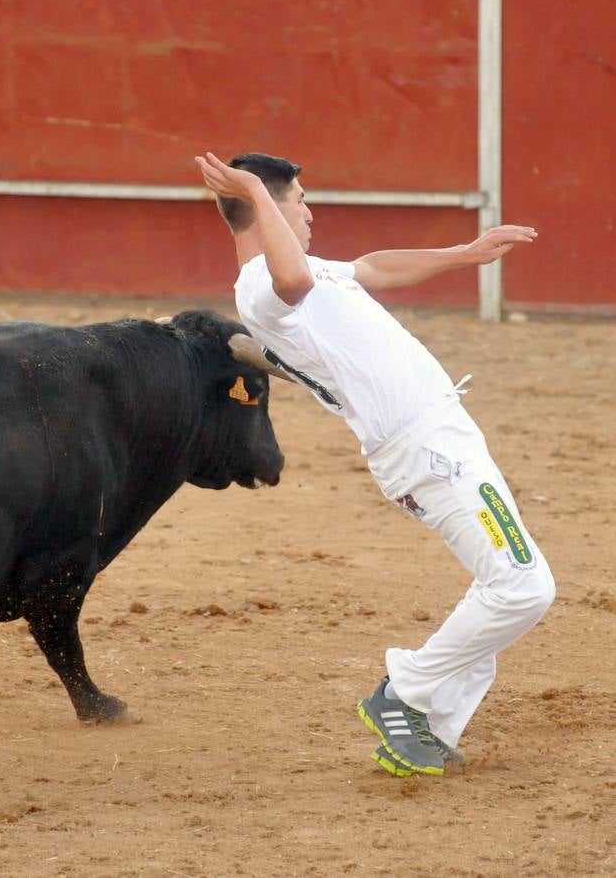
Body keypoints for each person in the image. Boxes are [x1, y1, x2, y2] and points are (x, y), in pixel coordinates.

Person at [196, 151, 555, 776]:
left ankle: (425, 728)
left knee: (499, 585)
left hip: (441, 439)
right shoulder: (262, 283)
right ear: (265, 208)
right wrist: (253, 185)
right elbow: (292, 280)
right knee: (522, 586)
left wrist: (464, 253)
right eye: (299, 200)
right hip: (429, 453)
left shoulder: (311, 269)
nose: (309, 211)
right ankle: (404, 692)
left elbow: (373, 267)